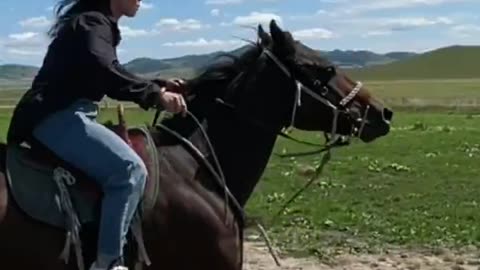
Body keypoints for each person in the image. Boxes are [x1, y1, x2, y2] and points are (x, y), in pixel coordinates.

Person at [6, 0, 187, 269]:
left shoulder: (93, 23)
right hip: (58, 114)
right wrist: (156, 95)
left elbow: (108, 70)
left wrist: (157, 84)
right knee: (129, 171)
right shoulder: (92, 22)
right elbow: (105, 71)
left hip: (64, 113)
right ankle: (107, 262)